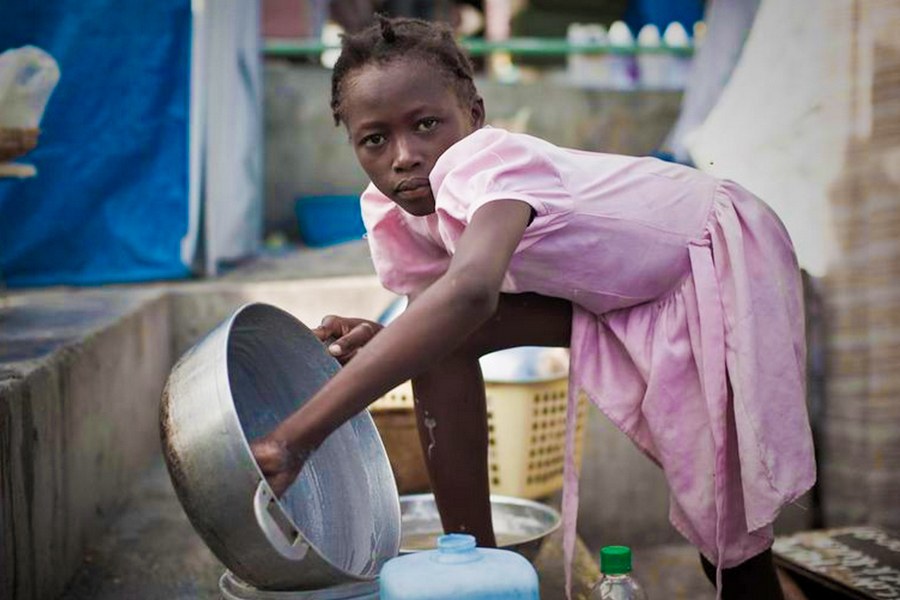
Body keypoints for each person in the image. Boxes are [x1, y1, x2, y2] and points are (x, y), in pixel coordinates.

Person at [251, 16, 815, 600]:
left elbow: (470, 293)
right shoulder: (397, 209)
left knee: (725, 524)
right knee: (441, 346)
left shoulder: (489, 163)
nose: (404, 156)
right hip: (621, 288)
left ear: (474, 112)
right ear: (353, 144)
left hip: (705, 255)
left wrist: (297, 436)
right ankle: (474, 568)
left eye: (426, 125)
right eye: (375, 139)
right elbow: (437, 310)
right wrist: (382, 334)